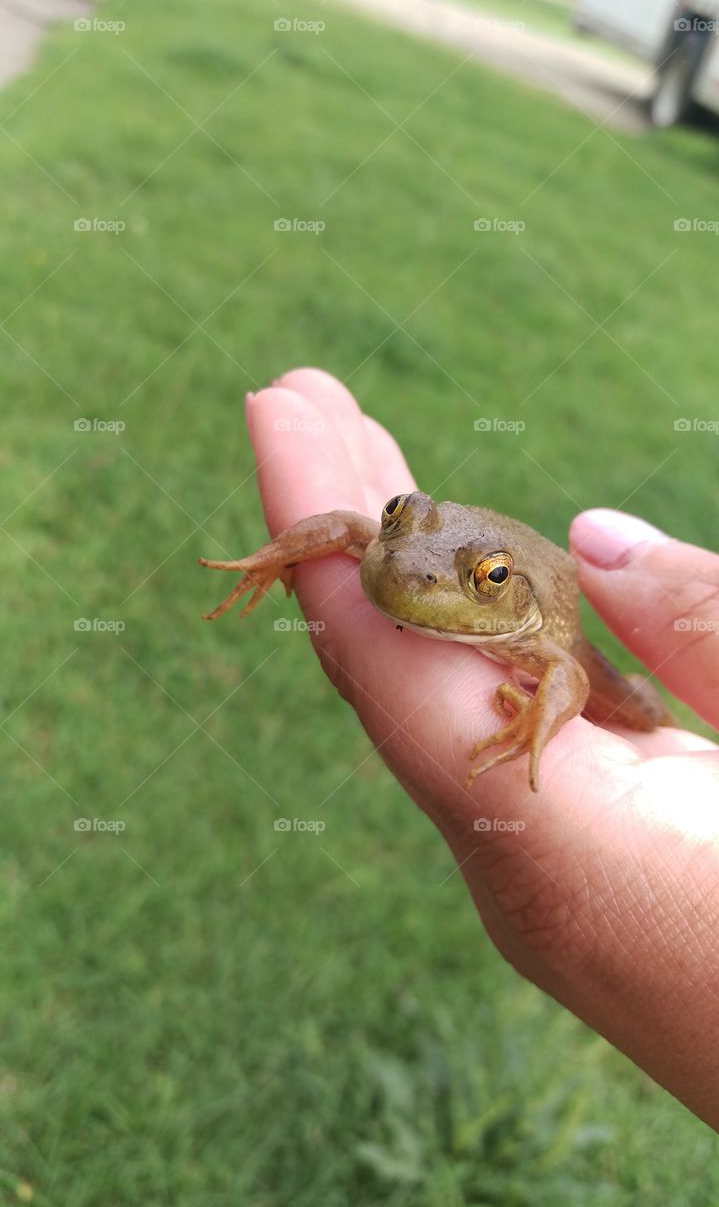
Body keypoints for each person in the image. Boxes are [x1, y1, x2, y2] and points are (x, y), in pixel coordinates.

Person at [242, 366, 719, 1131]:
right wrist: (275, 555)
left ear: (503, 585)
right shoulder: (400, 547)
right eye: (399, 519)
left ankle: (551, 628)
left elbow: (562, 669)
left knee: (630, 704)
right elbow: (341, 524)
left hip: (551, 626)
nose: (402, 568)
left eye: (485, 578)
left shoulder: (538, 640)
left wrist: (537, 721)